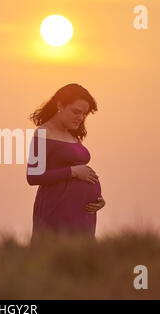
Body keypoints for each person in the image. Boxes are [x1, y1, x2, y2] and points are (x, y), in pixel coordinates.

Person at [26, 83, 106, 244]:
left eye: (84, 113)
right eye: (76, 112)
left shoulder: (72, 134)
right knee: (56, 258)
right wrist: (73, 172)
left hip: (84, 213)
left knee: (83, 262)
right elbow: (33, 175)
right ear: (60, 105)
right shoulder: (43, 133)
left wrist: (98, 200)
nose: (80, 117)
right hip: (57, 211)